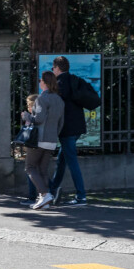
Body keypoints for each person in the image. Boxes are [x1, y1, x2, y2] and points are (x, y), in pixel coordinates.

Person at [48, 55, 88, 206]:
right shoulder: (74, 79)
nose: (53, 71)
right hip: (77, 127)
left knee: (72, 162)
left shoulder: (59, 84)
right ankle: (52, 189)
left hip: (67, 129)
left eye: (53, 68)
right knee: (62, 160)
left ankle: (81, 196)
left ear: (57, 68)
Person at [25, 72, 65, 210]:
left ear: (45, 83)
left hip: (39, 139)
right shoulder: (59, 100)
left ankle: (44, 194)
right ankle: (45, 202)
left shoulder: (42, 98)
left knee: (30, 167)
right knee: (42, 170)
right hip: (52, 140)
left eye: (41, 80)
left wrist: (28, 116)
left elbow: (39, 119)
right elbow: (61, 123)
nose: (40, 82)